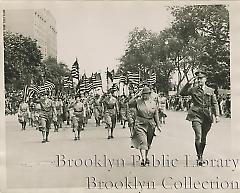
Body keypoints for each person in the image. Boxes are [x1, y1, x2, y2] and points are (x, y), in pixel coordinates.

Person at [179, 70, 220, 166]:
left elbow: (215, 103)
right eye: (198, 78)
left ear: (205, 79)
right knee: (198, 136)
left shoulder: (210, 91)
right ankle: (199, 157)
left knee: (204, 138)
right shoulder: (193, 89)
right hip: (196, 115)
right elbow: (182, 93)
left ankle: (201, 154)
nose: (199, 80)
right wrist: (188, 83)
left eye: (201, 78)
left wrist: (217, 115)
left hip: (207, 116)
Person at [129, 86, 161, 166]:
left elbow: (156, 114)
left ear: (149, 94)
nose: (144, 96)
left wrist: (158, 125)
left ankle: (145, 157)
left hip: (150, 124)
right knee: (143, 141)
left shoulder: (153, 103)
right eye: (143, 94)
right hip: (140, 123)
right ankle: (143, 159)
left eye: (146, 94)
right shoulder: (137, 101)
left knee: (148, 143)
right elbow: (130, 103)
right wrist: (136, 95)